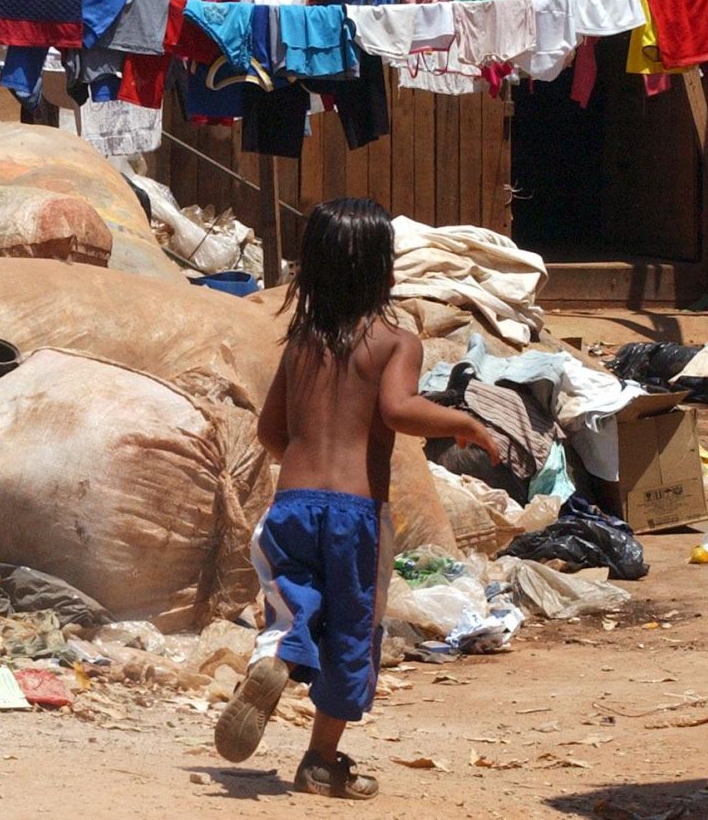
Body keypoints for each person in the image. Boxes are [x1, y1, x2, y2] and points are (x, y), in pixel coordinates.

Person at [213, 197, 499, 800]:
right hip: (357, 515)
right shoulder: (396, 342)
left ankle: (282, 659)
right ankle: (320, 760)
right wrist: (462, 423)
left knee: (297, 604)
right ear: (384, 271)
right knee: (350, 635)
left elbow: (270, 432)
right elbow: (398, 409)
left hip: (290, 507)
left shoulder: (302, 342)